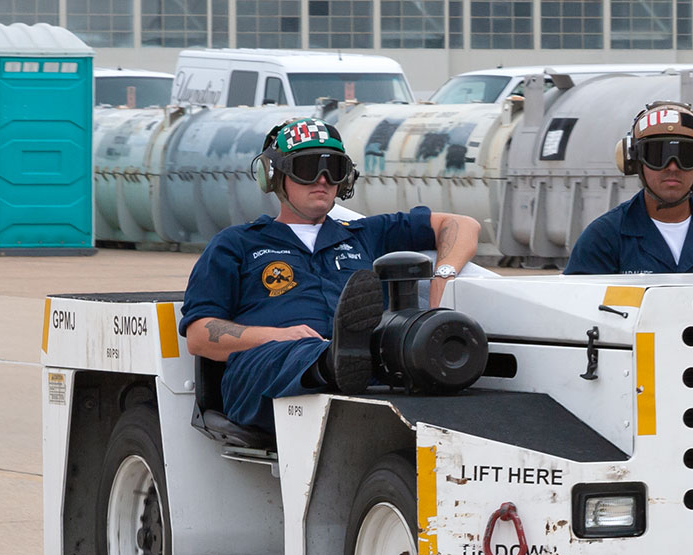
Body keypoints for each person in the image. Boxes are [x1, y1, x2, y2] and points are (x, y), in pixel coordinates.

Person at [179, 116, 481, 431]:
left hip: (366, 367)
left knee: (400, 346)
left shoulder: (364, 234)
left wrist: (443, 278)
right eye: (308, 168)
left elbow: (460, 224)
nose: (322, 180)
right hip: (264, 373)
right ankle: (333, 360)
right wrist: (278, 335)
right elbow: (199, 336)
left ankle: (375, 357)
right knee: (297, 350)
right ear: (274, 175)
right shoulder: (237, 243)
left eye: (333, 169)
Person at [564, 101, 693, 275]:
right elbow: (576, 305)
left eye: (686, 156)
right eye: (657, 155)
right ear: (634, 161)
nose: (672, 167)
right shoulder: (605, 237)